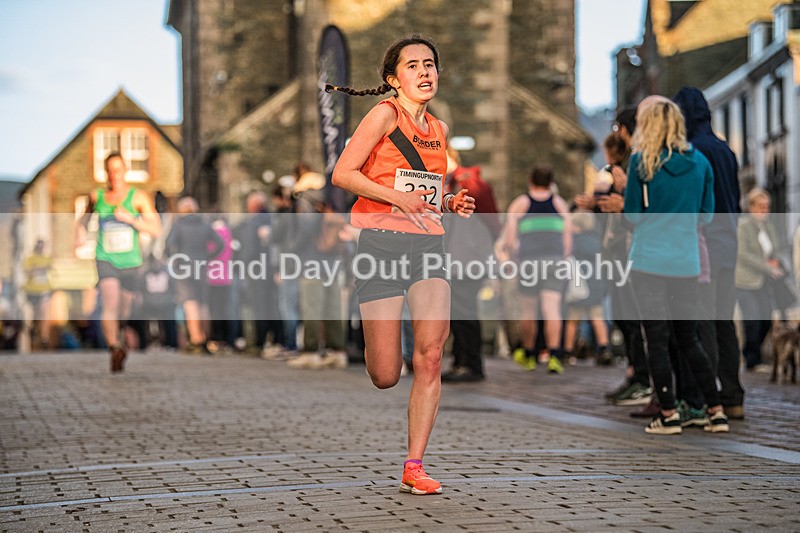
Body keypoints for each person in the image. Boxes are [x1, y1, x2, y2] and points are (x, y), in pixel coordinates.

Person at [329, 34, 474, 495]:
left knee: (431, 355)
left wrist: (449, 201)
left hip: (428, 245)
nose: (425, 71)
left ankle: (415, 464)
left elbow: (426, 193)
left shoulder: (440, 129)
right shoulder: (382, 115)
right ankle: (378, 359)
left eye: (430, 63)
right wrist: (396, 197)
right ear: (394, 79)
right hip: (381, 245)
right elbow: (343, 174)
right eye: (413, 66)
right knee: (385, 373)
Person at [622, 95, 728, 435]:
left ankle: (667, 413)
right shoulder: (701, 163)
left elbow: (632, 215)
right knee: (689, 338)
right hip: (687, 262)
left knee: (656, 338)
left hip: (649, 260)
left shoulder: (641, 162)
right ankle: (715, 409)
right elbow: (707, 215)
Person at [673, 86, 745, 419]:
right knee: (723, 322)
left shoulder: (692, 152)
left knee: (703, 324)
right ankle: (732, 395)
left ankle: (708, 398)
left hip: (703, 246)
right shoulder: (726, 150)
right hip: (729, 245)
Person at [75, 152, 162, 372]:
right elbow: (82, 222)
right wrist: (80, 235)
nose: (114, 175)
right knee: (110, 304)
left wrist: (131, 219)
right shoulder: (97, 197)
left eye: (118, 170)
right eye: (110, 170)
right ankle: (114, 348)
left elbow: (156, 229)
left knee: (125, 309)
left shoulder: (138, 197)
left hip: (131, 262)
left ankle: (120, 336)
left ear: (125, 171)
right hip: (106, 258)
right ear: (106, 173)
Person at [496, 165, 571, 374]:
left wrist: (512, 259)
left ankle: (529, 355)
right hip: (555, 261)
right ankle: (555, 355)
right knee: (552, 309)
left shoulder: (521, 203)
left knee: (528, 310)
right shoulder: (559, 203)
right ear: (550, 182)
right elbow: (567, 240)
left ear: (531, 181)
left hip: (529, 262)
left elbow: (510, 240)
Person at [441, 147, 500, 382]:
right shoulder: (452, 183)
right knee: (457, 312)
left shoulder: (466, 181)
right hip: (458, 258)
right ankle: (460, 361)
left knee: (465, 311)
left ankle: (471, 364)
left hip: (467, 259)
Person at [165, 196, 224, 353]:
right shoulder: (204, 224)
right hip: (201, 266)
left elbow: (169, 245)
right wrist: (208, 257)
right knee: (203, 304)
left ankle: (196, 339)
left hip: (184, 268)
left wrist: (175, 261)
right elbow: (220, 243)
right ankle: (206, 338)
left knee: (190, 304)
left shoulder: (179, 225)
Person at [735, 188, 783, 372]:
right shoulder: (743, 226)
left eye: (767, 207)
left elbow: (774, 248)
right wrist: (766, 266)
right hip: (746, 281)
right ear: (752, 207)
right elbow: (743, 253)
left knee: (766, 319)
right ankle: (752, 359)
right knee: (752, 319)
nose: (765, 210)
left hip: (764, 281)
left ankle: (755, 354)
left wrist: (775, 261)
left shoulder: (769, 227)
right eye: (761, 206)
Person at [22, 239, 53, 349]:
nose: (40, 248)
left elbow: (52, 271)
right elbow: (26, 271)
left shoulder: (47, 258)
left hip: (45, 289)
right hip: (32, 290)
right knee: (36, 313)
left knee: (45, 313)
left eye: (42, 246)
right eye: (38, 246)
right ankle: (33, 328)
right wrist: (39, 268)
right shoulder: (30, 259)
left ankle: (44, 338)